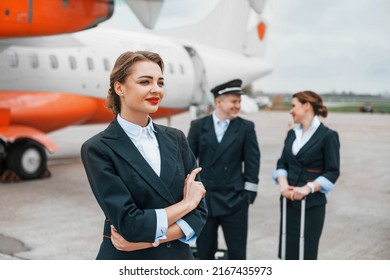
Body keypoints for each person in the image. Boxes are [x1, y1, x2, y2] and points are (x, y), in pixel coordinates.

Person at [81, 51, 207, 260]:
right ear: (119, 87)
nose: (156, 90)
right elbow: (130, 224)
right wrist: (186, 204)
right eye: (145, 82)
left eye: (160, 82)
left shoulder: (176, 138)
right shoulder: (97, 149)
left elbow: (200, 212)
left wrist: (151, 240)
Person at [187, 79, 260, 260]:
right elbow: (188, 161)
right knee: (204, 253)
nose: (238, 106)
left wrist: (247, 196)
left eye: (239, 102)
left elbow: (253, 162)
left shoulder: (246, 128)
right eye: (234, 101)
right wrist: (190, 193)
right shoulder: (198, 126)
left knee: (237, 254)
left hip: (235, 201)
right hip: (205, 200)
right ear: (219, 102)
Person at [273, 90, 340, 260]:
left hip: (311, 205)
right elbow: (282, 163)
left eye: (293, 106)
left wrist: (308, 188)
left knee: (306, 252)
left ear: (307, 105)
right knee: (287, 251)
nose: (291, 110)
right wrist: (283, 185)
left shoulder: (328, 136)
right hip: (288, 202)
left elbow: (332, 171)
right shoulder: (291, 134)